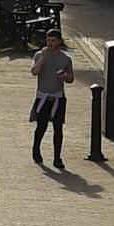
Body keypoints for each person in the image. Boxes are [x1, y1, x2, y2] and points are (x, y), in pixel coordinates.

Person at [29, 31, 75, 168]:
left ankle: (57, 158)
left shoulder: (66, 59)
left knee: (58, 128)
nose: (50, 43)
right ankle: (36, 150)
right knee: (41, 127)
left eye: (53, 40)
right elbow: (34, 72)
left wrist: (65, 77)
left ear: (59, 41)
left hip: (58, 98)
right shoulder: (39, 55)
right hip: (43, 97)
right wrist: (43, 58)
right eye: (48, 40)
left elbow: (71, 79)